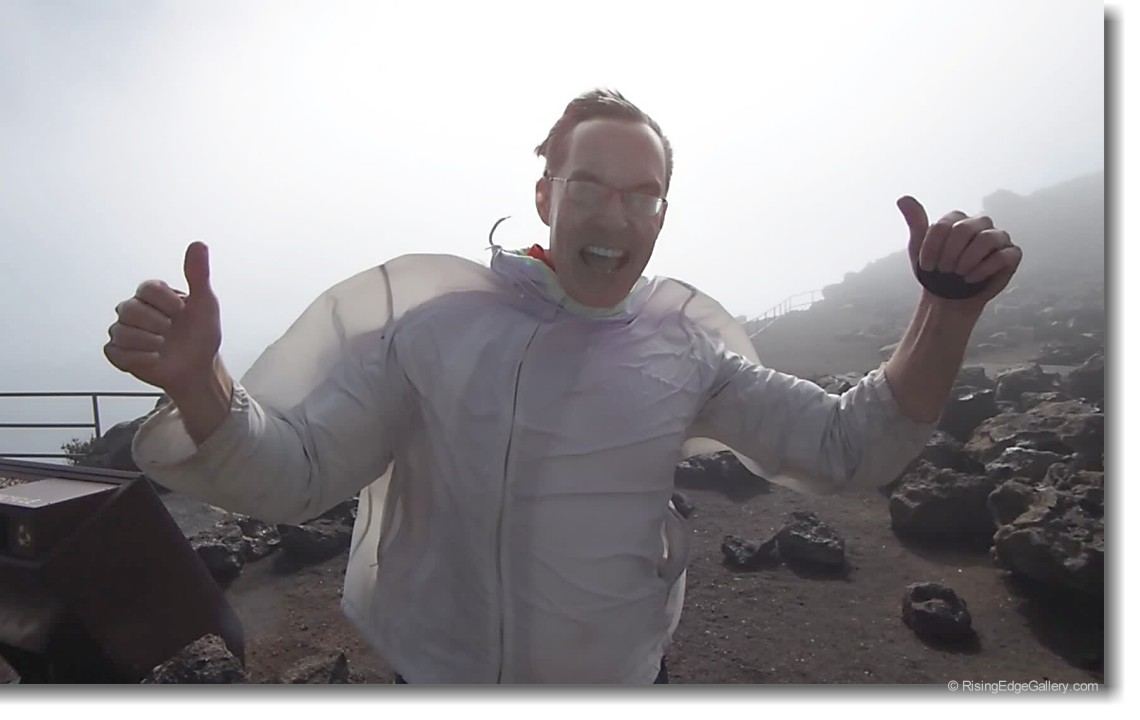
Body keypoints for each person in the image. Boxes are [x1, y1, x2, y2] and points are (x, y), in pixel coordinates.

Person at [104, 88, 1022, 684]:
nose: (615, 216)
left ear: (662, 214)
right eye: (589, 187)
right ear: (544, 195)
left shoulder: (685, 350)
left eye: (642, 196)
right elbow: (298, 472)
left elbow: (848, 444)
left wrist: (947, 311)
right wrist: (201, 382)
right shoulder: (434, 330)